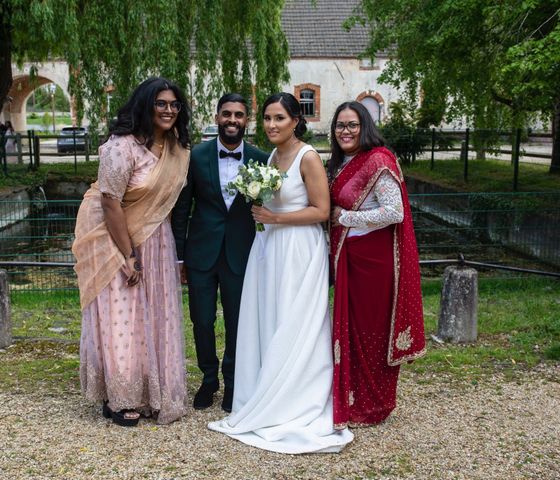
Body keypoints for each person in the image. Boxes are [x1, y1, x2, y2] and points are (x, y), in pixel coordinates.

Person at [208, 92, 353, 454]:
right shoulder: (273, 155)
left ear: (295, 122)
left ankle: (295, 398)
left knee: (295, 320)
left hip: (299, 250)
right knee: (271, 320)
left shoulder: (308, 157)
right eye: (268, 119)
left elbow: (322, 211)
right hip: (270, 248)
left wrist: (277, 218)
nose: (272, 125)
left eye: (280, 119)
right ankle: (268, 388)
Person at [72, 77, 190, 427]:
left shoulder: (176, 148)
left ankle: (153, 393)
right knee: (122, 316)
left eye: (174, 105)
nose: (168, 110)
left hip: (157, 239)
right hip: (113, 238)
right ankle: (119, 398)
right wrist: (126, 255)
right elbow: (110, 202)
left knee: (156, 313)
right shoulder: (120, 147)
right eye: (161, 104)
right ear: (145, 105)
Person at [328, 101, 426, 428]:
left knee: (373, 332)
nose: (345, 131)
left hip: (374, 260)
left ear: (365, 126)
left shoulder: (378, 160)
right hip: (351, 258)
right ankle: (351, 398)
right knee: (352, 332)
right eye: (340, 125)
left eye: (352, 125)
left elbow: (394, 211)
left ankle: (376, 404)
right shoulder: (343, 162)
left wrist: (347, 217)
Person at [171, 93, 269, 413]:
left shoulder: (260, 158)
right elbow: (182, 210)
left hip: (241, 255)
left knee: (238, 322)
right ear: (217, 117)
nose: (232, 120)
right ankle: (208, 379)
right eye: (226, 114)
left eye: (239, 115)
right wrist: (180, 257)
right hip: (201, 254)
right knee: (201, 320)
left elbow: (267, 211)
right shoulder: (195, 156)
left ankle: (233, 381)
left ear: (246, 120)